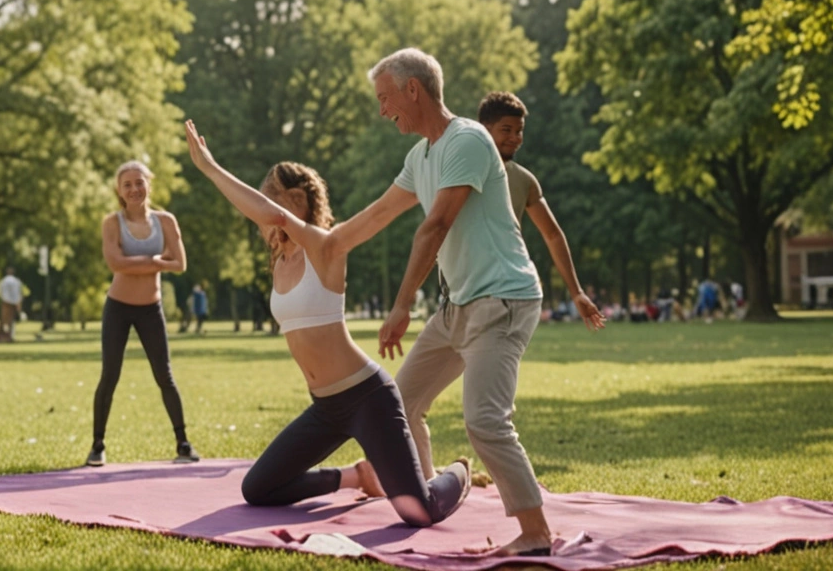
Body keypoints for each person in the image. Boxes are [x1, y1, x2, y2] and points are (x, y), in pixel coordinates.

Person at [185, 119, 471, 527]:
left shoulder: (326, 248)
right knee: (259, 489)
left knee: (418, 512)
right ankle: (358, 476)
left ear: (298, 201)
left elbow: (274, 216)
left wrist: (211, 167)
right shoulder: (281, 261)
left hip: (368, 399)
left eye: (272, 201)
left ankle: (456, 473)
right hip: (326, 408)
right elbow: (266, 216)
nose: (263, 213)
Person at [332, 48, 555, 556]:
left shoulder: (468, 140)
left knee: (484, 420)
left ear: (414, 89)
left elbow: (435, 226)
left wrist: (401, 303)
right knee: (400, 405)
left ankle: (537, 532)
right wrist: (322, 242)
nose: (384, 110)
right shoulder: (421, 155)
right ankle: (430, 494)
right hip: (458, 308)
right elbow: (375, 216)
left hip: (501, 300)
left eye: (387, 99)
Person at [89, 160, 198, 467]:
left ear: (149, 184)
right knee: (110, 375)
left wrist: (140, 261)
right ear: (119, 191)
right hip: (118, 309)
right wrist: (156, 260)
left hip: (152, 308)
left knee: (164, 375)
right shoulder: (112, 222)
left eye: (139, 182)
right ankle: (97, 445)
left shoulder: (165, 221)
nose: (134, 189)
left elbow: (180, 264)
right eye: (127, 185)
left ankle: (183, 444)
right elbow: (116, 264)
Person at [476, 92, 605, 332]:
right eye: (506, 130)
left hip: (503, 294)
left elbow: (553, 235)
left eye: (519, 130)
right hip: (459, 293)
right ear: (485, 129)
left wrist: (576, 293)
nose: (515, 138)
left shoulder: (524, 180)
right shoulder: (462, 170)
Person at [0, 267, 24, 343]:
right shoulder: (17, 281)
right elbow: (19, 293)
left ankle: (0, 337)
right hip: (13, 303)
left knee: (3, 320)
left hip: (5, 302)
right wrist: (18, 304)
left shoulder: (3, 281)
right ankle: (9, 337)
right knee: (11, 321)